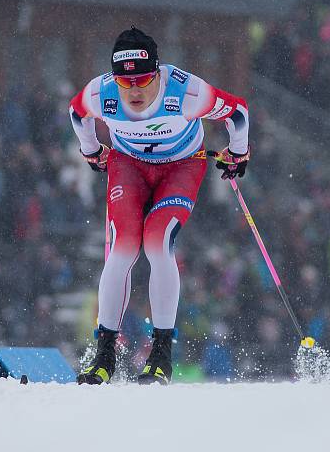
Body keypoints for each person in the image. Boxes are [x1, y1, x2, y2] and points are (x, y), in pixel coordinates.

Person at [68, 27, 250, 385]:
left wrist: (239, 150)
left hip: (181, 165)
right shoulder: (101, 92)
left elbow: (237, 111)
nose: (134, 90)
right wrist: (90, 150)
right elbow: (77, 113)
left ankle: (161, 352)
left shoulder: (186, 92)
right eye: (125, 81)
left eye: (143, 80)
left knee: (156, 243)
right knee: (122, 249)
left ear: (158, 73)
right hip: (129, 166)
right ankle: (105, 352)